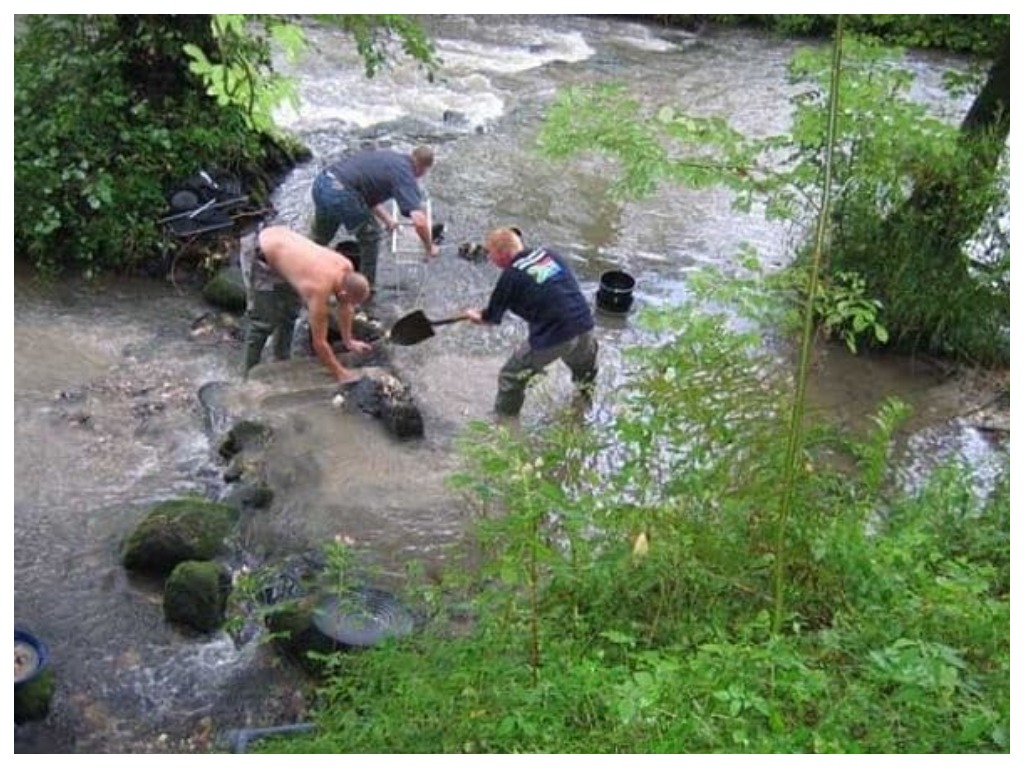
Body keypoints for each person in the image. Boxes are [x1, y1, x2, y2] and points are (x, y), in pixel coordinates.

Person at [462, 227, 598, 417]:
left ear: (503, 253)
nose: (490, 259)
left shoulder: (510, 276)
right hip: (585, 324)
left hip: (556, 335)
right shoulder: (549, 254)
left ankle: (504, 424)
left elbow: (491, 318)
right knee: (584, 372)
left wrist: (474, 315)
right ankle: (584, 411)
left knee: (510, 376)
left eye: (490, 254)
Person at [241, 224, 373, 385]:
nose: (353, 307)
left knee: (289, 316)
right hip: (260, 254)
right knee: (263, 324)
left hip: (283, 247)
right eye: (353, 302)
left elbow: (346, 306)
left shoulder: (346, 266)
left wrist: (348, 341)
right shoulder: (319, 291)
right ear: (344, 294)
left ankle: (281, 360)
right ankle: (246, 376)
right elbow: (319, 342)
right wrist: (340, 372)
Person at [311, 145, 439, 289]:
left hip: (322, 182)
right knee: (371, 236)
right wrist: (429, 247)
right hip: (341, 194)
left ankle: (303, 267)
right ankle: (365, 289)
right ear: (423, 169)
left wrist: (389, 220)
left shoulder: (390, 157)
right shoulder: (406, 174)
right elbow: (420, 221)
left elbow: (366, 196)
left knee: (321, 237)